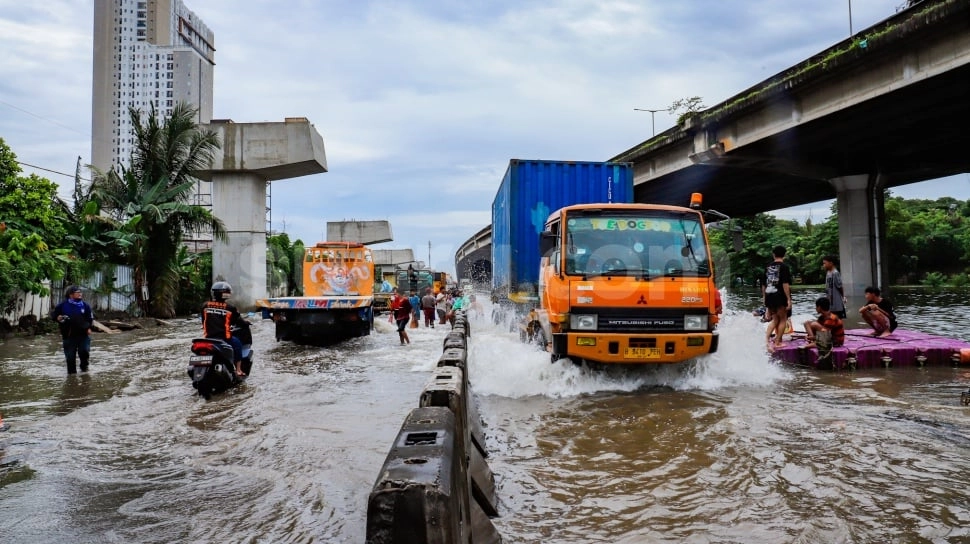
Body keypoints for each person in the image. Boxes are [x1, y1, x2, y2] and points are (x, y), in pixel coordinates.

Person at [202, 281, 249, 377]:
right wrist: (246, 323)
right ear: (226, 295)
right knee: (237, 344)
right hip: (224, 338)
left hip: (208, 338)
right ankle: (238, 370)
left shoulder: (205, 306)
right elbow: (239, 321)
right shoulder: (230, 308)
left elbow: (204, 320)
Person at [50, 285, 95, 374]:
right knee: (70, 358)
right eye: (77, 292)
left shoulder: (85, 306)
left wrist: (89, 328)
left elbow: (90, 318)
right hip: (69, 335)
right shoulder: (62, 305)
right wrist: (57, 318)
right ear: (71, 295)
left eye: (80, 292)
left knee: (84, 352)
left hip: (83, 335)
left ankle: (84, 369)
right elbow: (53, 315)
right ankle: (71, 377)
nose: (80, 294)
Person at [761, 245, 793, 351]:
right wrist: (788, 299)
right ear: (785, 254)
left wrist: (764, 297)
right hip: (780, 296)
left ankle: (765, 340)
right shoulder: (784, 267)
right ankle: (778, 342)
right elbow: (785, 284)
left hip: (769, 295)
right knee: (783, 319)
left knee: (775, 319)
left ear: (773, 254)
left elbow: (763, 285)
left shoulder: (767, 267)